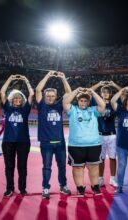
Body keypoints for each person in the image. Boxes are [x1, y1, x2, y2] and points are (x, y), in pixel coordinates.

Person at [63, 87, 106, 197]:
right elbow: (65, 102)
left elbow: (103, 105)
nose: (83, 102)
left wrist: (93, 92)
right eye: (81, 100)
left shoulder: (93, 110)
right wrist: (76, 90)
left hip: (94, 144)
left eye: (85, 100)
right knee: (77, 168)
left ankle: (95, 186)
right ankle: (80, 188)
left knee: (94, 167)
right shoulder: (72, 110)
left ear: (88, 102)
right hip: (76, 145)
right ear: (78, 101)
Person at [36, 71, 72, 199]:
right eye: (48, 96)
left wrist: (63, 78)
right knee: (47, 166)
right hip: (46, 143)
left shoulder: (58, 106)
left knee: (62, 166)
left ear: (56, 96)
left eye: (53, 96)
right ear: (45, 97)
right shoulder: (42, 106)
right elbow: (38, 89)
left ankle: (63, 185)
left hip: (60, 142)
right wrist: (48, 76)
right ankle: (45, 187)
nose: (50, 98)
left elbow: (69, 93)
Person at [0, 74, 34, 197]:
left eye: (19, 98)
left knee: (22, 166)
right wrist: (10, 79)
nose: (17, 100)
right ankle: (9, 188)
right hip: (8, 141)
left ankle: (22, 188)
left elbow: (31, 94)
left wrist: (26, 80)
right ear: (11, 99)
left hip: (23, 142)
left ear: (22, 100)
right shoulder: (7, 108)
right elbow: (2, 92)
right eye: (15, 98)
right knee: (9, 166)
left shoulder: (25, 109)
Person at [91, 81, 122, 187]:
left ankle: (112, 179)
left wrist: (114, 85)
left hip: (112, 135)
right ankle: (100, 178)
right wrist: (99, 84)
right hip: (99, 135)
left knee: (113, 158)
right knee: (101, 158)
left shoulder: (113, 105)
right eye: (103, 92)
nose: (105, 93)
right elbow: (90, 92)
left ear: (110, 94)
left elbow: (123, 94)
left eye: (107, 92)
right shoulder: (97, 104)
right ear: (100, 94)